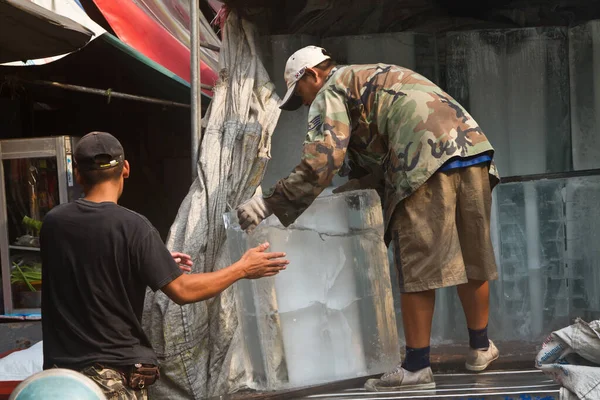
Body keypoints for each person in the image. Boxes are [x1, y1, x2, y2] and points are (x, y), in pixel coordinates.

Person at [236, 46, 500, 391]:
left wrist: (268, 204)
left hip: (424, 157)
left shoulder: (329, 89)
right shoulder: (368, 75)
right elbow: (378, 150)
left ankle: (417, 367)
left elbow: (322, 161)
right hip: (471, 149)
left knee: (417, 265)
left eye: (299, 94)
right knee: (471, 255)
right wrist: (355, 187)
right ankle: (481, 347)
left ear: (312, 74)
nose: (302, 104)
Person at [41, 131, 289, 399]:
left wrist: (149, 261)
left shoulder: (53, 223)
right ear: (125, 169)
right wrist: (242, 268)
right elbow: (182, 291)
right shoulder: (134, 228)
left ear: (78, 174)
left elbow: (88, 263)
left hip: (60, 382)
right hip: (111, 381)